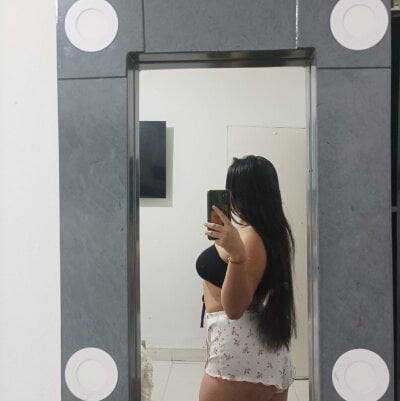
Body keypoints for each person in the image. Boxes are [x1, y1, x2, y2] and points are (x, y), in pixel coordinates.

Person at [196, 155, 296, 401]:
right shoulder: (270, 233)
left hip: (238, 352)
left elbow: (234, 308)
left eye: (232, 190)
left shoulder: (250, 237)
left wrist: (237, 255)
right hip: (263, 350)